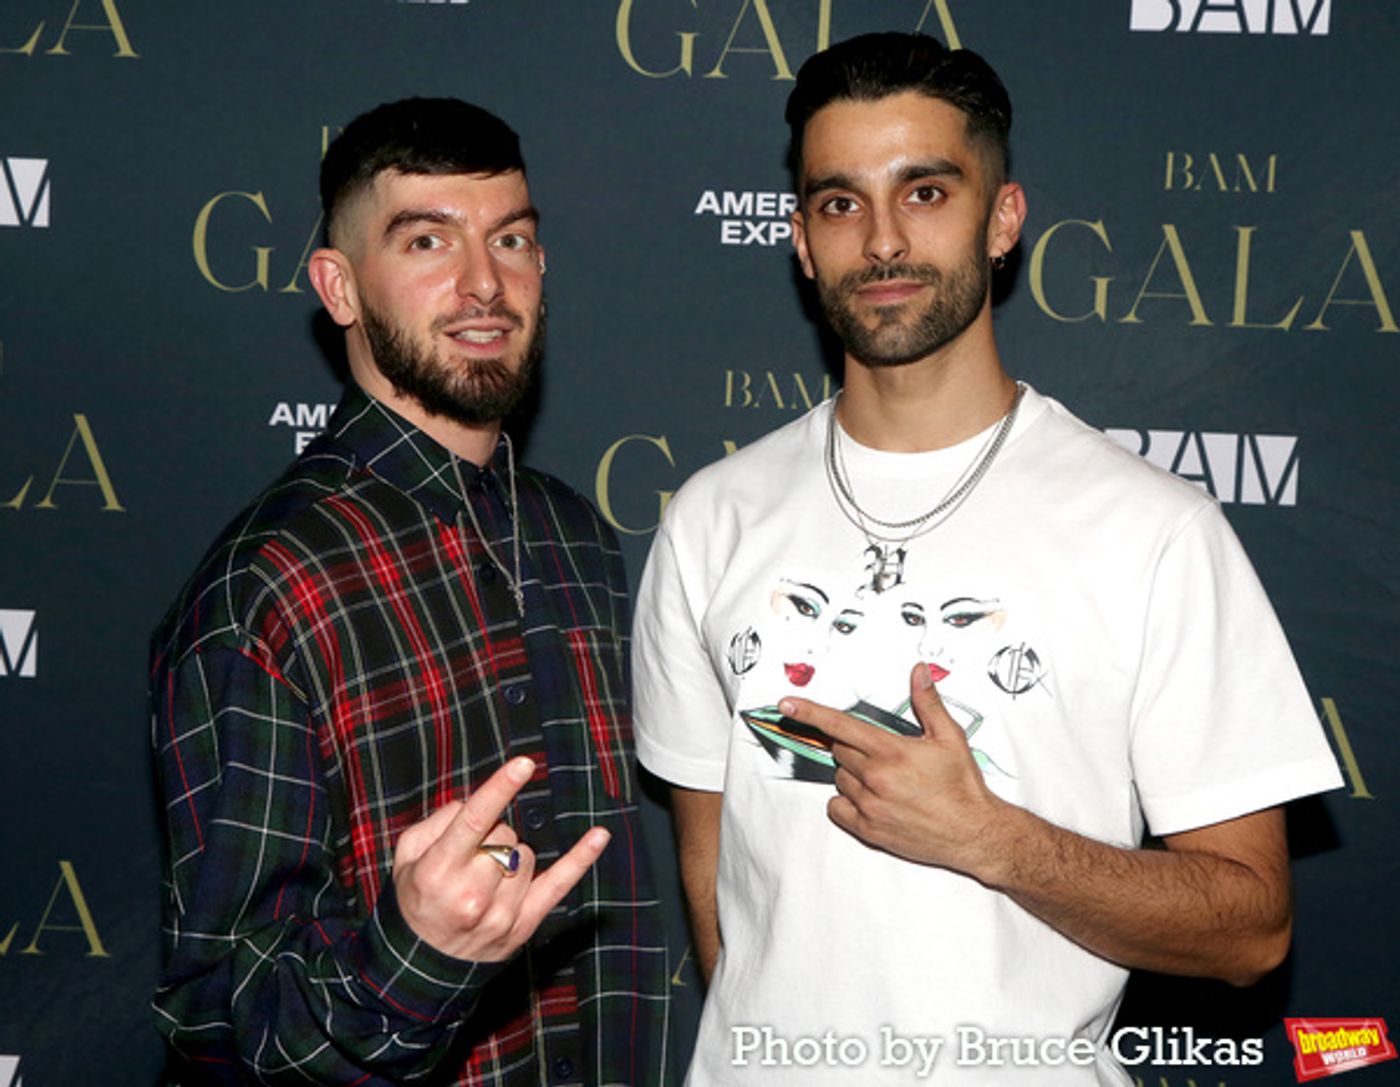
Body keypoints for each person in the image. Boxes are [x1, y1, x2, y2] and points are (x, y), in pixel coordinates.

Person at [631, 33, 1342, 1085]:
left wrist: (990, 837)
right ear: (797, 240)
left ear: (1001, 219)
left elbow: (1248, 929)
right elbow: (711, 859)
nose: (879, 242)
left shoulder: (1152, 530)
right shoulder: (708, 519)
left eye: (923, 191)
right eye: (838, 203)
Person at [149, 97, 669, 1086]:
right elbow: (223, 1026)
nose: (484, 282)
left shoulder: (572, 536)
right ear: (338, 287)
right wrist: (413, 954)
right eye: (427, 239)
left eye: (510, 239)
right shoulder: (270, 587)